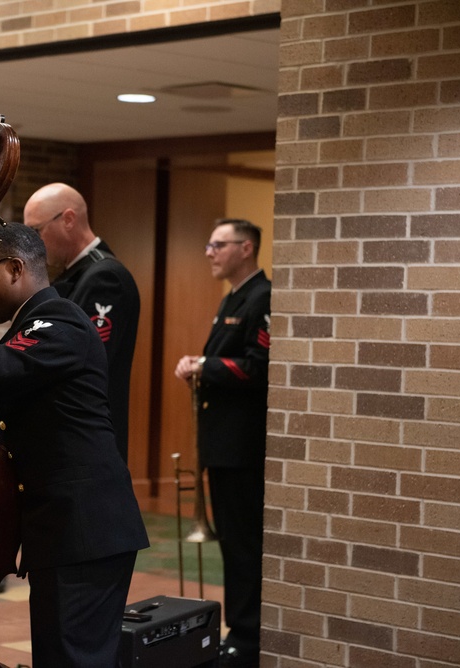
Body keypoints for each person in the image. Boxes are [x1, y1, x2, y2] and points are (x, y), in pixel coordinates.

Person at [0, 222, 149, 667]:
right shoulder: (36, 321)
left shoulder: (58, 322)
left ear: (16, 268)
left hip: (85, 532)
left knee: (74, 659)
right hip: (65, 532)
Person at [174, 218, 270, 668]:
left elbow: (257, 366)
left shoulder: (261, 296)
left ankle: (247, 637)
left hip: (243, 446)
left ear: (245, 248)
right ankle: (240, 628)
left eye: (219, 244)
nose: (210, 252)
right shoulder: (234, 297)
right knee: (232, 542)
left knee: (243, 544)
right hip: (222, 443)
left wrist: (204, 365)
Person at [23, 183, 140, 462]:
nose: (34, 244)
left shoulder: (104, 278)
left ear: (68, 220)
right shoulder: (78, 274)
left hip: (87, 438)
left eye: (36, 231)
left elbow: (84, 361)